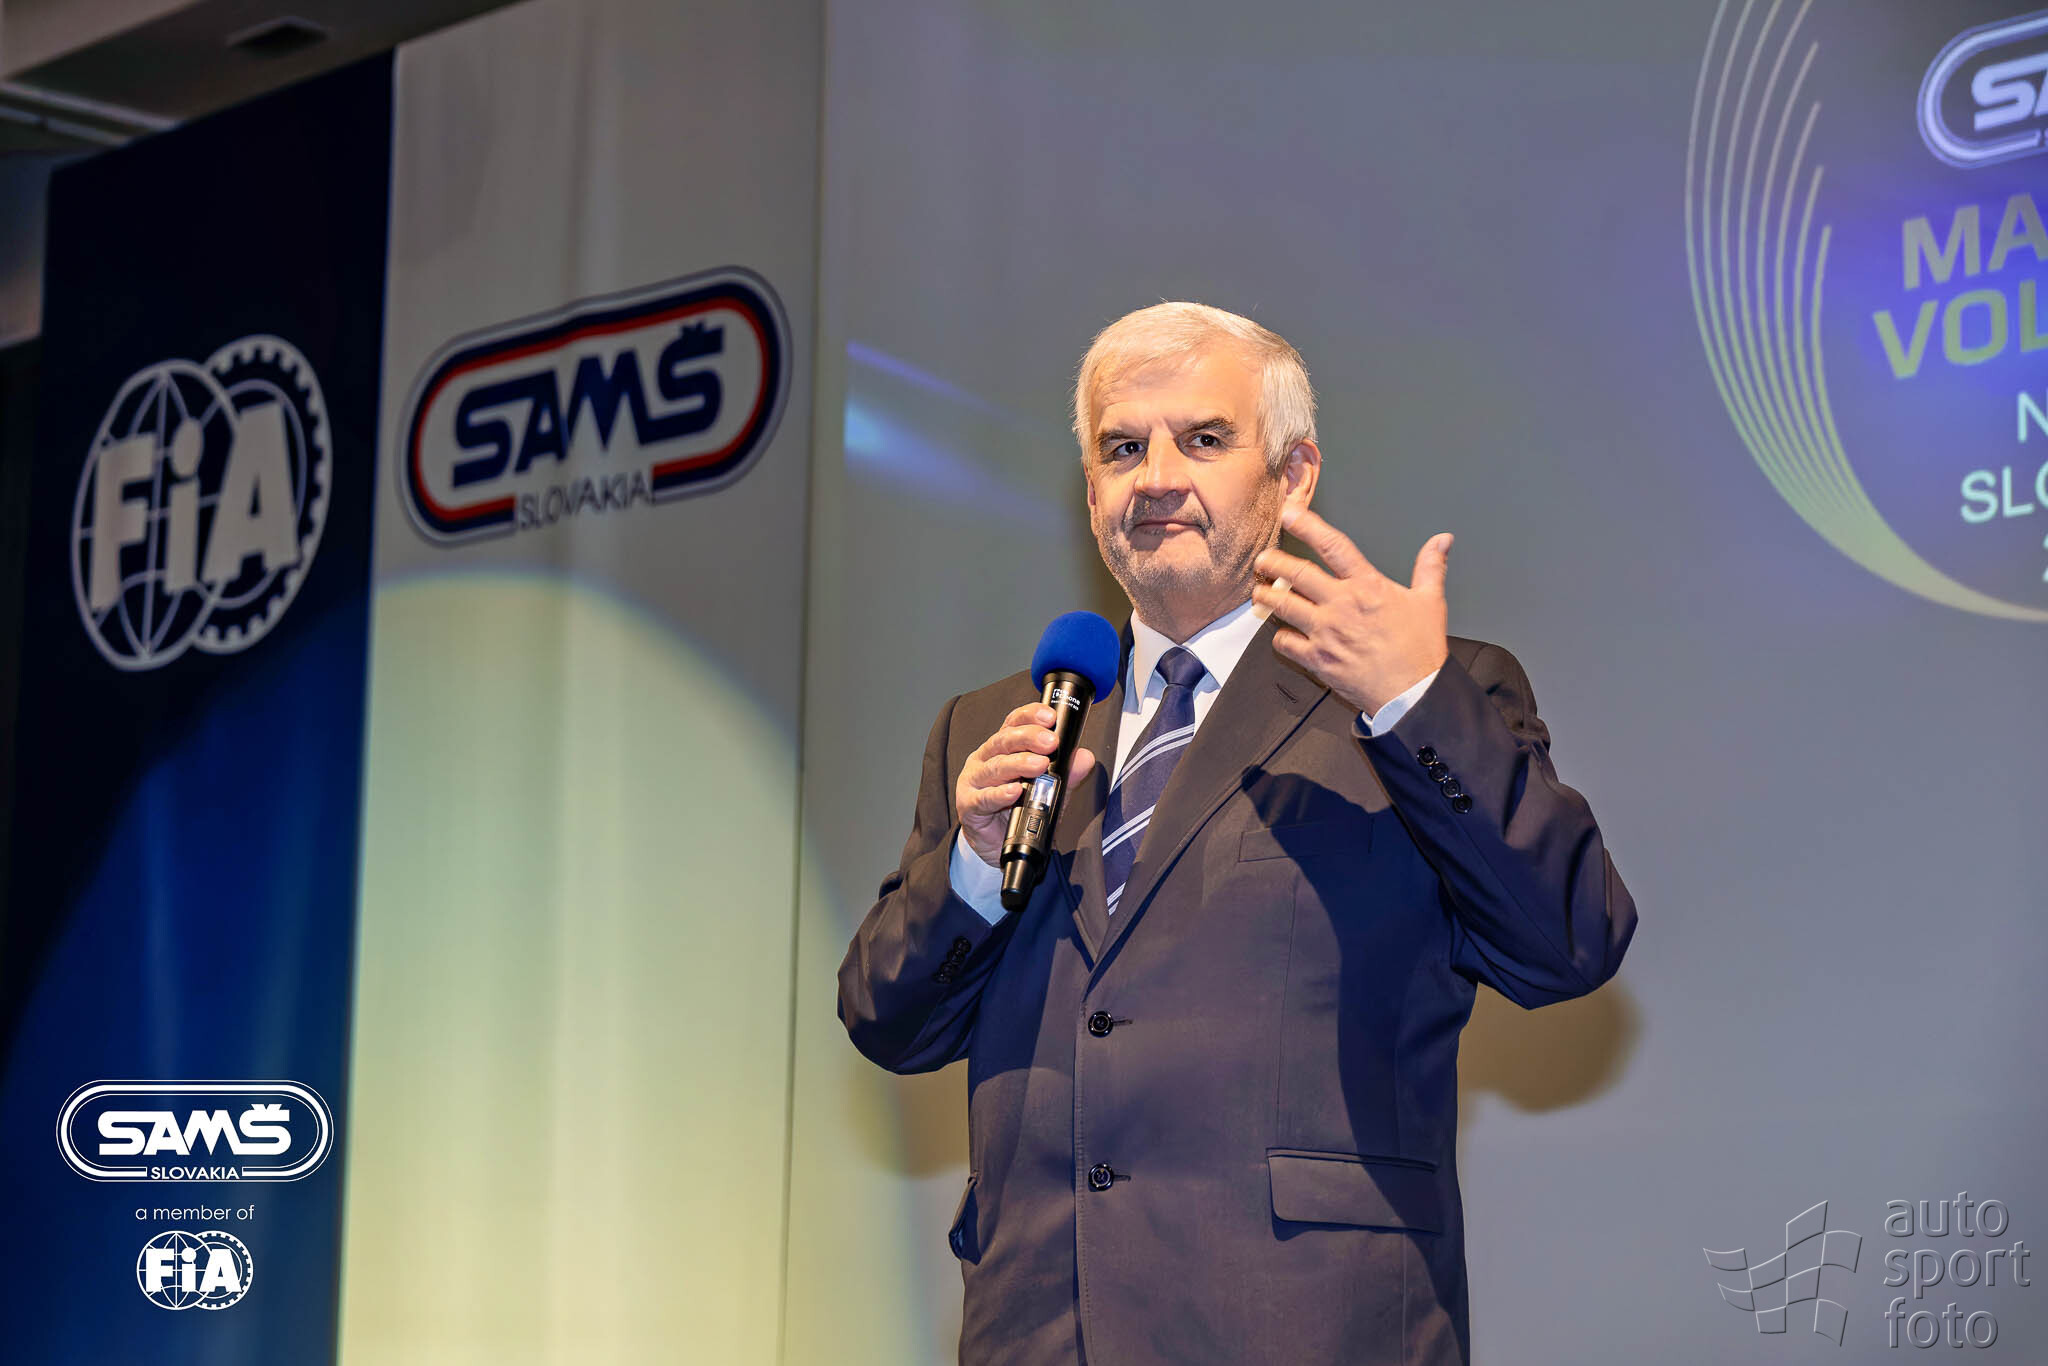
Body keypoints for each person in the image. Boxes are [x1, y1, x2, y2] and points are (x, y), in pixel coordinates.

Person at [837, 301, 1637, 1366]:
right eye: (1123, 448)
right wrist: (976, 866)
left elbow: (1567, 943)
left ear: (1293, 475)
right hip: (1041, 1332)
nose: (1156, 478)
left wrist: (1411, 702)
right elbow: (889, 1022)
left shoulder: (1418, 696)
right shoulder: (1002, 727)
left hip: (1306, 1326)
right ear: (1090, 492)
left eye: (1203, 439)